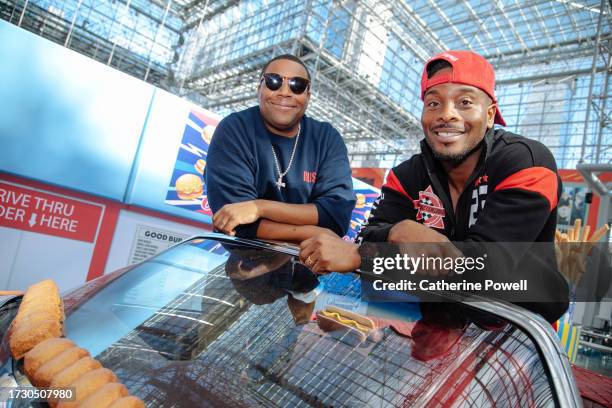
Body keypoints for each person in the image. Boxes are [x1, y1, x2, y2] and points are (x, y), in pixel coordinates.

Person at [299, 50, 569, 323]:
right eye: (433, 103)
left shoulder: (527, 164)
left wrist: (363, 258)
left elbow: (486, 270)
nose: (446, 115)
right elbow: (370, 235)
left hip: (517, 330)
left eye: (464, 102)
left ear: (489, 115)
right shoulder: (406, 176)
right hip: (436, 321)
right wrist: (396, 232)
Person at [206, 54, 355, 242]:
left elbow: (336, 215)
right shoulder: (235, 129)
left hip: (310, 266)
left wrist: (260, 207)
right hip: (244, 264)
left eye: (297, 86)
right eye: (274, 81)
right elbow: (233, 221)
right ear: (259, 87)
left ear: (307, 96)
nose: (285, 92)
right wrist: (315, 233)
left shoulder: (326, 138)